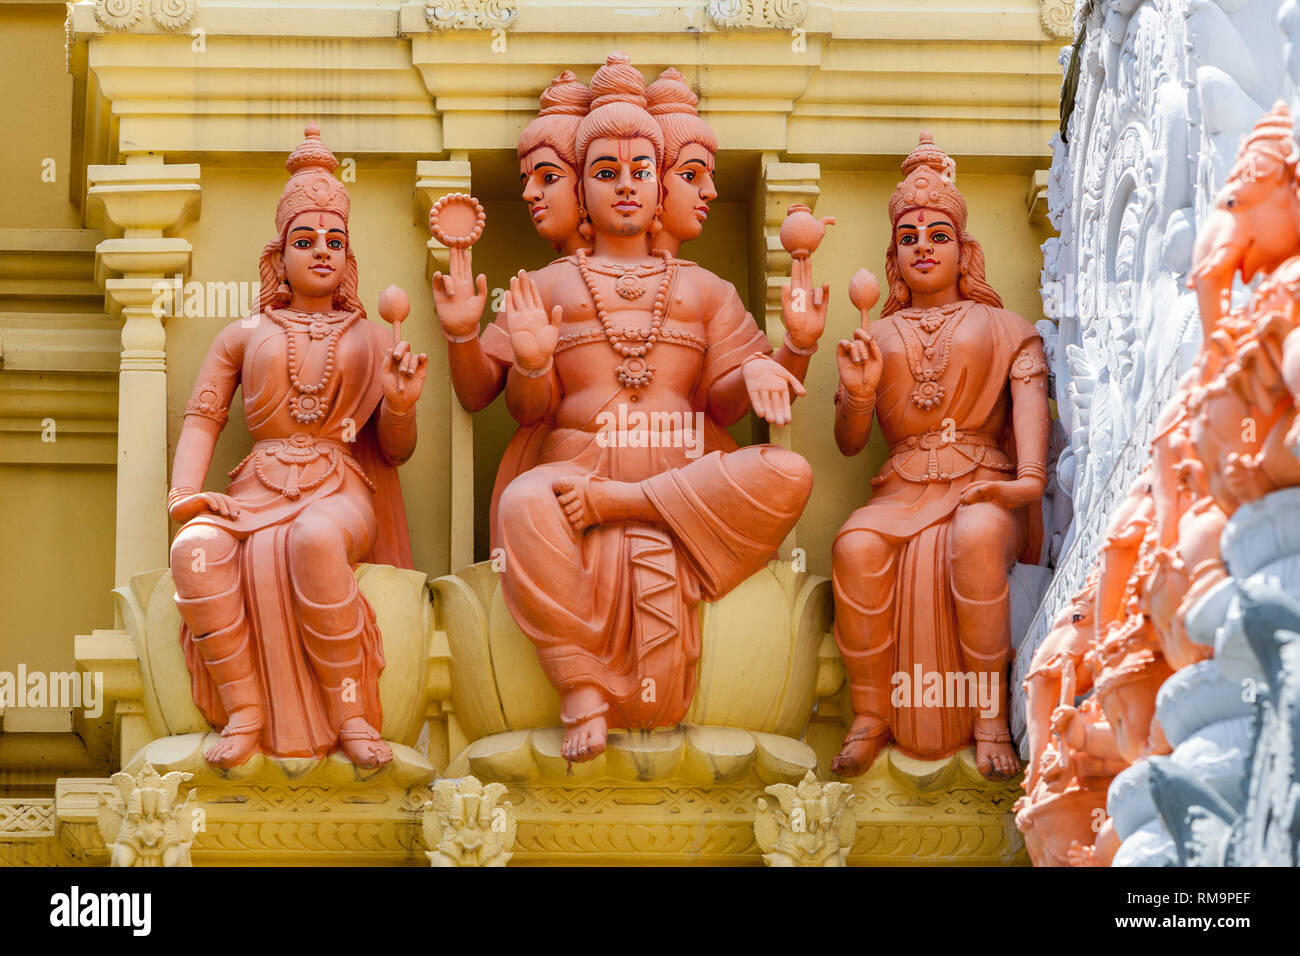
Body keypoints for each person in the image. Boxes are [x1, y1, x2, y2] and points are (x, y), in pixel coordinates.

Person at [493, 52, 822, 763]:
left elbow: (727, 401)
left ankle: (629, 502)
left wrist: (787, 353)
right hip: (573, 471)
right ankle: (579, 679)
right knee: (522, 503)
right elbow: (527, 411)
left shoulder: (705, 290)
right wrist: (527, 358)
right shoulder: (550, 285)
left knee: (789, 471)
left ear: (661, 179)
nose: (625, 188)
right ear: (581, 188)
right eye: (606, 174)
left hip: (681, 476)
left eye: (641, 171)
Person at [167, 125, 427, 770]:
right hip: (255, 485)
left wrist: (400, 402)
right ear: (276, 256)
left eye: (335, 242)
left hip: (339, 486)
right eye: (304, 242)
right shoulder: (244, 332)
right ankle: (246, 709)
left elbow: (394, 452)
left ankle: (351, 714)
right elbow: (203, 416)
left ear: (349, 257)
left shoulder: (369, 337)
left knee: (314, 541)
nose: (321, 253)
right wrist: (185, 496)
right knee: (195, 552)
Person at [831, 133, 1050, 780]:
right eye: (908, 237)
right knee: (854, 547)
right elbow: (849, 443)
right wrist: (860, 393)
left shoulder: (1010, 330)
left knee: (978, 536)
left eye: (937, 235)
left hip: (985, 482)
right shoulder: (877, 334)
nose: (923, 246)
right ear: (893, 259)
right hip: (901, 486)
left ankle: (987, 720)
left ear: (965, 251)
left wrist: (1017, 490)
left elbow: (1033, 460)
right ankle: (871, 714)